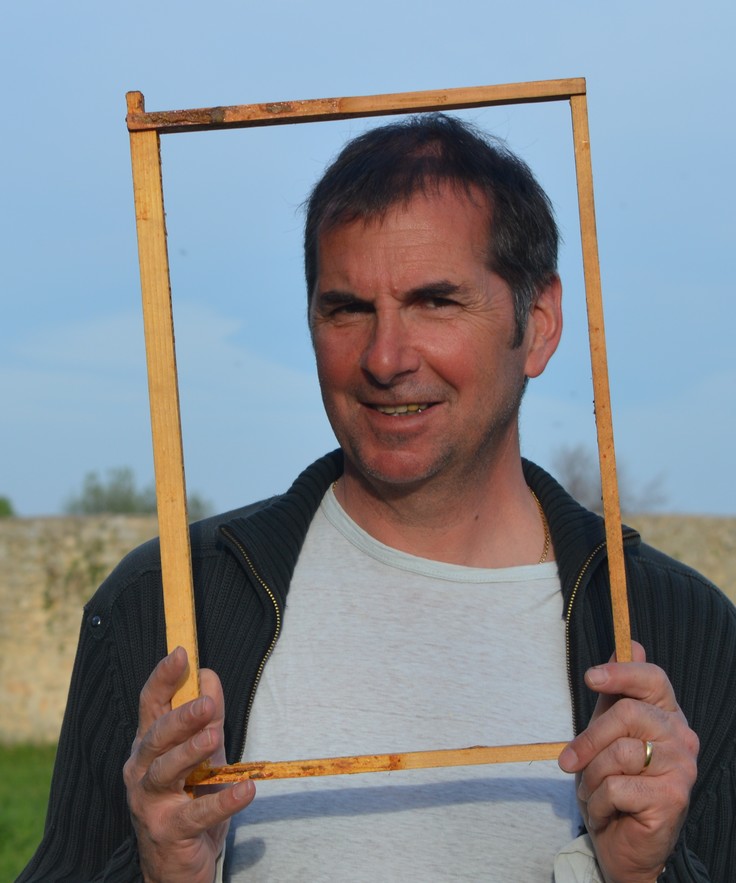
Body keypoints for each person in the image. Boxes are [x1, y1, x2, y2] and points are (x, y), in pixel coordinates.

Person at [19, 115, 735, 882]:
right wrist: (160, 869)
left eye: (436, 302)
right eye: (348, 309)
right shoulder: (162, 603)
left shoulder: (681, 629)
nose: (385, 358)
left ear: (539, 323)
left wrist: (645, 873)